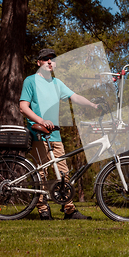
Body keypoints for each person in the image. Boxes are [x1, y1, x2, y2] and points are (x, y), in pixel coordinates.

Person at [19, 48, 98, 220]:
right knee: (42, 173)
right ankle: (43, 209)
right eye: (45, 58)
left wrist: (92, 105)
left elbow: (75, 97)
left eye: (52, 59)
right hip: (38, 133)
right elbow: (23, 107)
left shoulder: (57, 83)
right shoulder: (30, 81)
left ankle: (69, 210)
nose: (49, 61)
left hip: (54, 134)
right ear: (38, 62)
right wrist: (40, 121)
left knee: (63, 173)